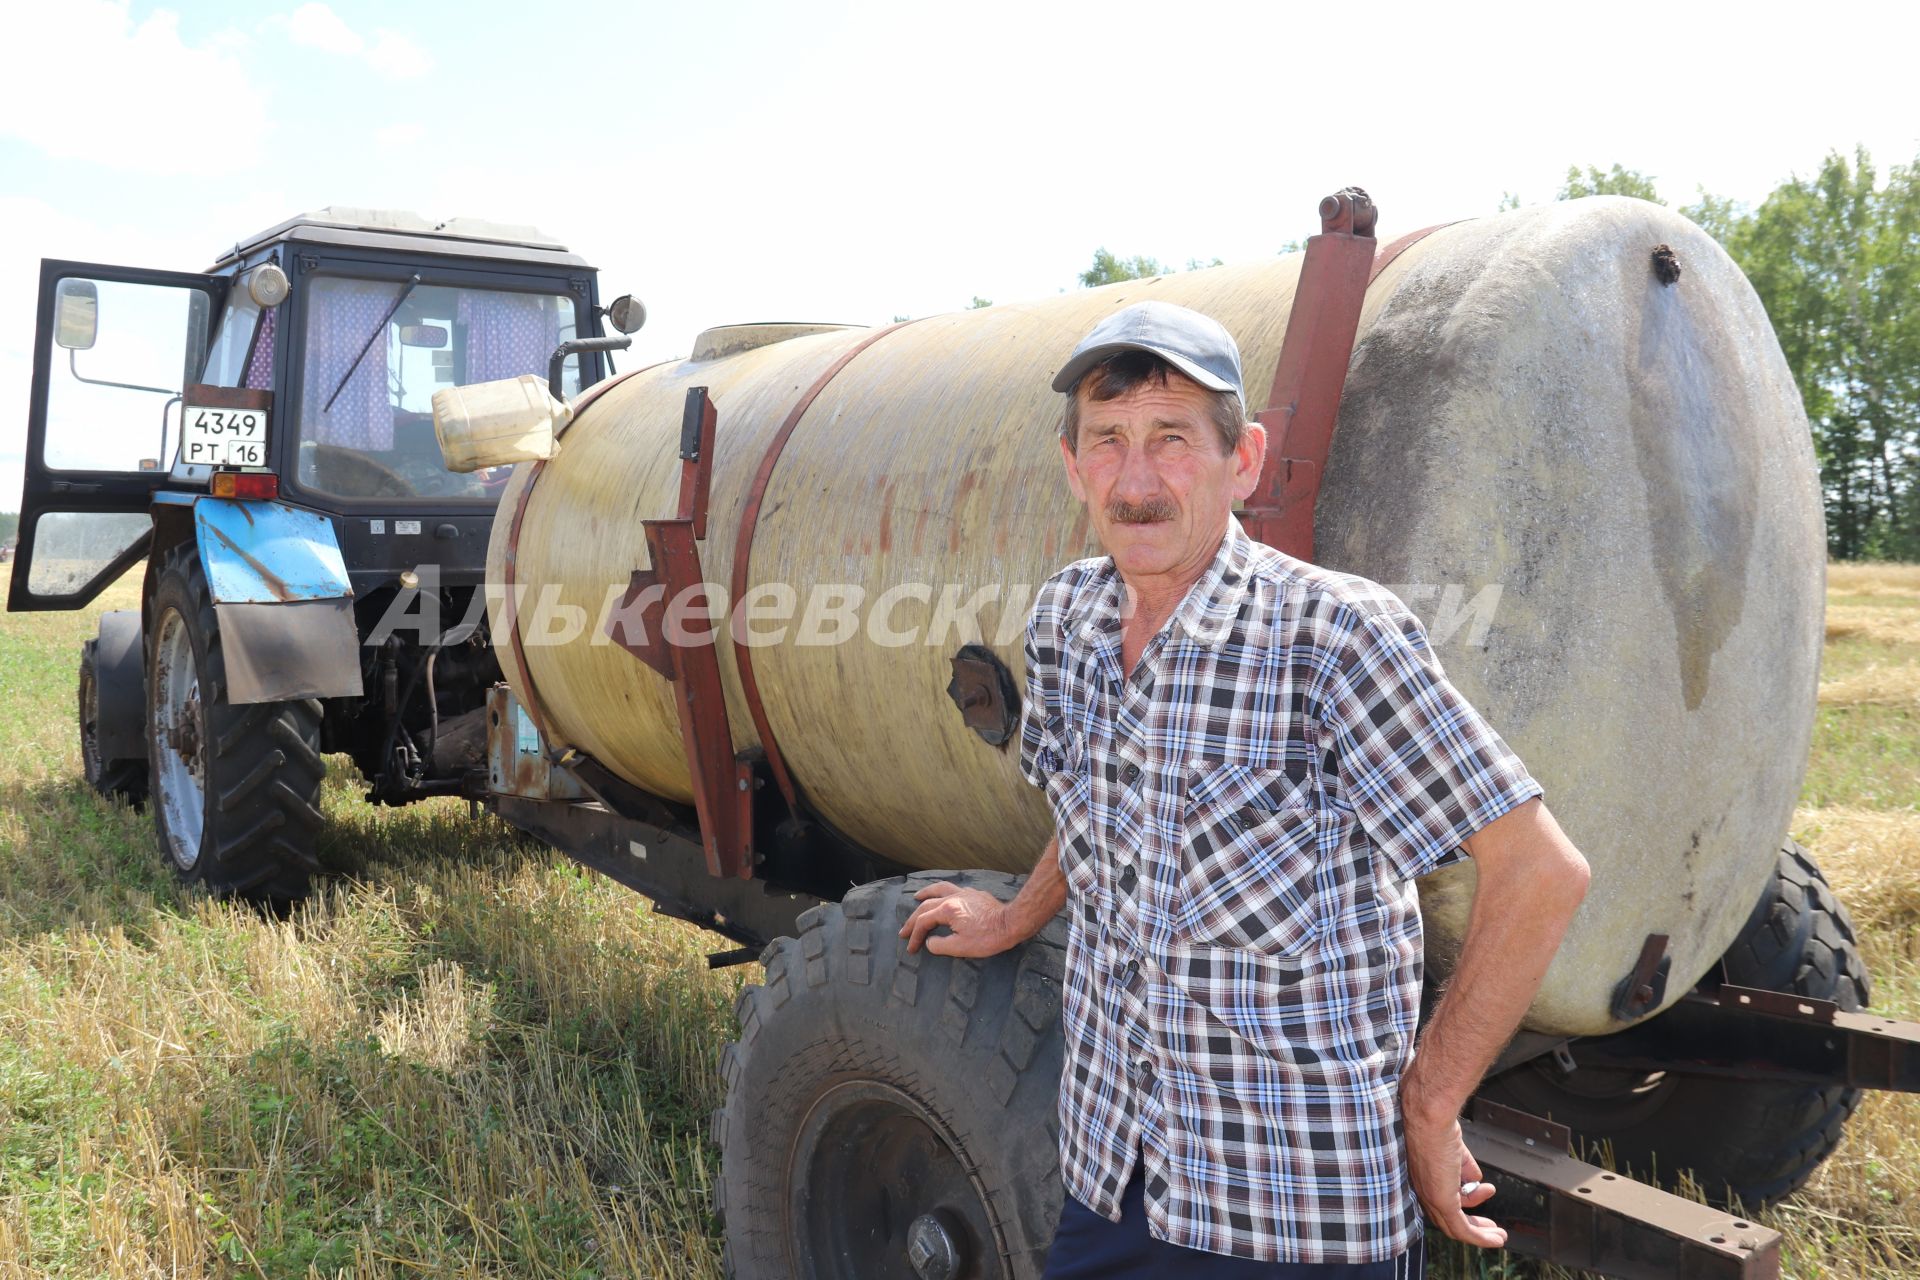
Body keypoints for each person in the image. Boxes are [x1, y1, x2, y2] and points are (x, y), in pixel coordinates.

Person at [899, 300, 1591, 1277]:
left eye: (1173, 439)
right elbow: (1096, 805)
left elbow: (1539, 872)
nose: (1137, 480)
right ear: (1074, 465)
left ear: (1245, 460)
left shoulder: (1334, 639)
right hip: (1110, 1173)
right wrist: (1018, 913)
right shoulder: (1067, 619)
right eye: (1109, 441)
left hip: (1289, 1212)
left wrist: (1433, 1104)